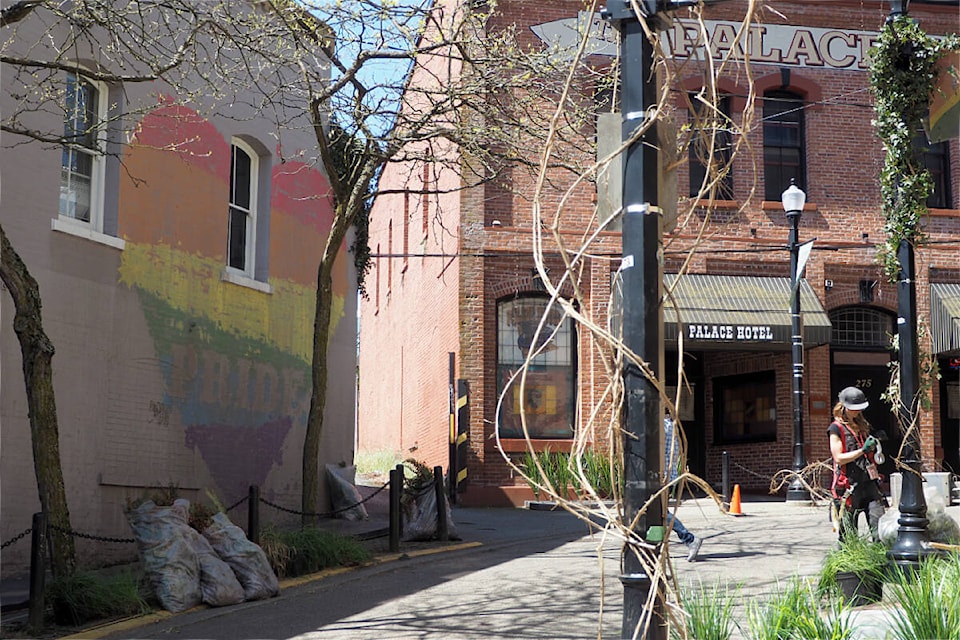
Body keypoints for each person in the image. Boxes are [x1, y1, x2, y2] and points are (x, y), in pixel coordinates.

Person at [828, 386, 886, 542]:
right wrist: (862, 450)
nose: (857, 411)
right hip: (848, 487)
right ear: (843, 407)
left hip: (869, 483)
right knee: (848, 536)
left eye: (859, 408)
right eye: (854, 408)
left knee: (879, 528)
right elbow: (838, 458)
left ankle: (878, 560)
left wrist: (875, 442)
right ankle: (848, 563)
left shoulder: (862, 426)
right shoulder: (836, 428)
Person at [664, 410, 702, 561]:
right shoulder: (673, 427)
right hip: (668, 473)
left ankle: (689, 539)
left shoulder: (661, 427)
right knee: (658, 511)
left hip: (661, 474)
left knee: (659, 511)